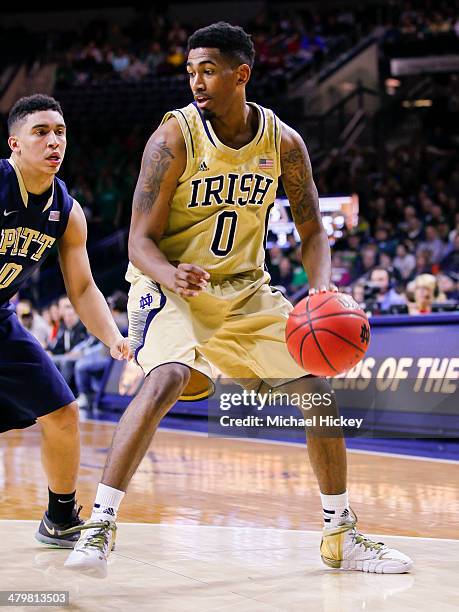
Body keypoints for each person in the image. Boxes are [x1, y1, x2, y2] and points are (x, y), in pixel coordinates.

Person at [66, 23, 413, 577]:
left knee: (316, 391)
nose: (196, 81)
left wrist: (320, 285)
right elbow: (138, 239)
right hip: (168, 285)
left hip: (245, 289)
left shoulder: (283, 143)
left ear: (240, 74)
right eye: (190, 70)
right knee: (168, 377)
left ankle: (341, 532)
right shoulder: (174, 138)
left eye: (207, 70)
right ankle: (101, 523)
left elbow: (313, 230)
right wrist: (170, 274)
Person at [0, 94, 131, 548]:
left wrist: (114, 338)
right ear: (14, 143)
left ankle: (59, 518)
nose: (53, 141)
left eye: (60, 132)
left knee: (62, 412)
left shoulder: (67, 210)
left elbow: (83, 289)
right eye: (41, 132)